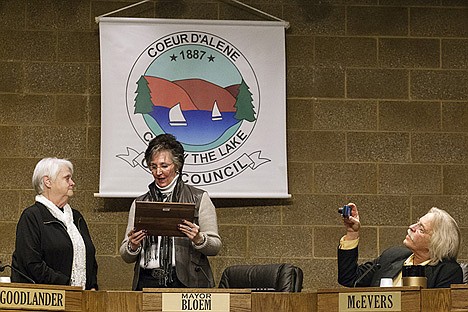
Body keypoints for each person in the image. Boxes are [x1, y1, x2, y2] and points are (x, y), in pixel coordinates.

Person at [120, 134, 222, 290]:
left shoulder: (199, 198)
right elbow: (125, 254)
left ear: (177, 165)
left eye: (164, 166)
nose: (158, 172)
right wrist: (133, 246)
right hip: (147, 281)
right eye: (153, 166)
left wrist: (199, 238)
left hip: (186, 281)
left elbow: (215, 246)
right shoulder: (140, 203)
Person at [11, 158, 98, 289]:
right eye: (67, 178)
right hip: (46, 299)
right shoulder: (32, 217)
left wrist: (92, 286)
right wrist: (67, 285)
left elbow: (90, 259)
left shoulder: (76, 217)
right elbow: (31, 264)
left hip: (83, 299)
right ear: (48, 182)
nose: (72, 183)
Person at [338, 203, 463, 288]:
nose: (411, 227)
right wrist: (352, 233)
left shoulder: (447, 271)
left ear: (436, 242)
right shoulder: (393, 256)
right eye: (417, 223)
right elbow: (350, 279)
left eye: (421, 228)